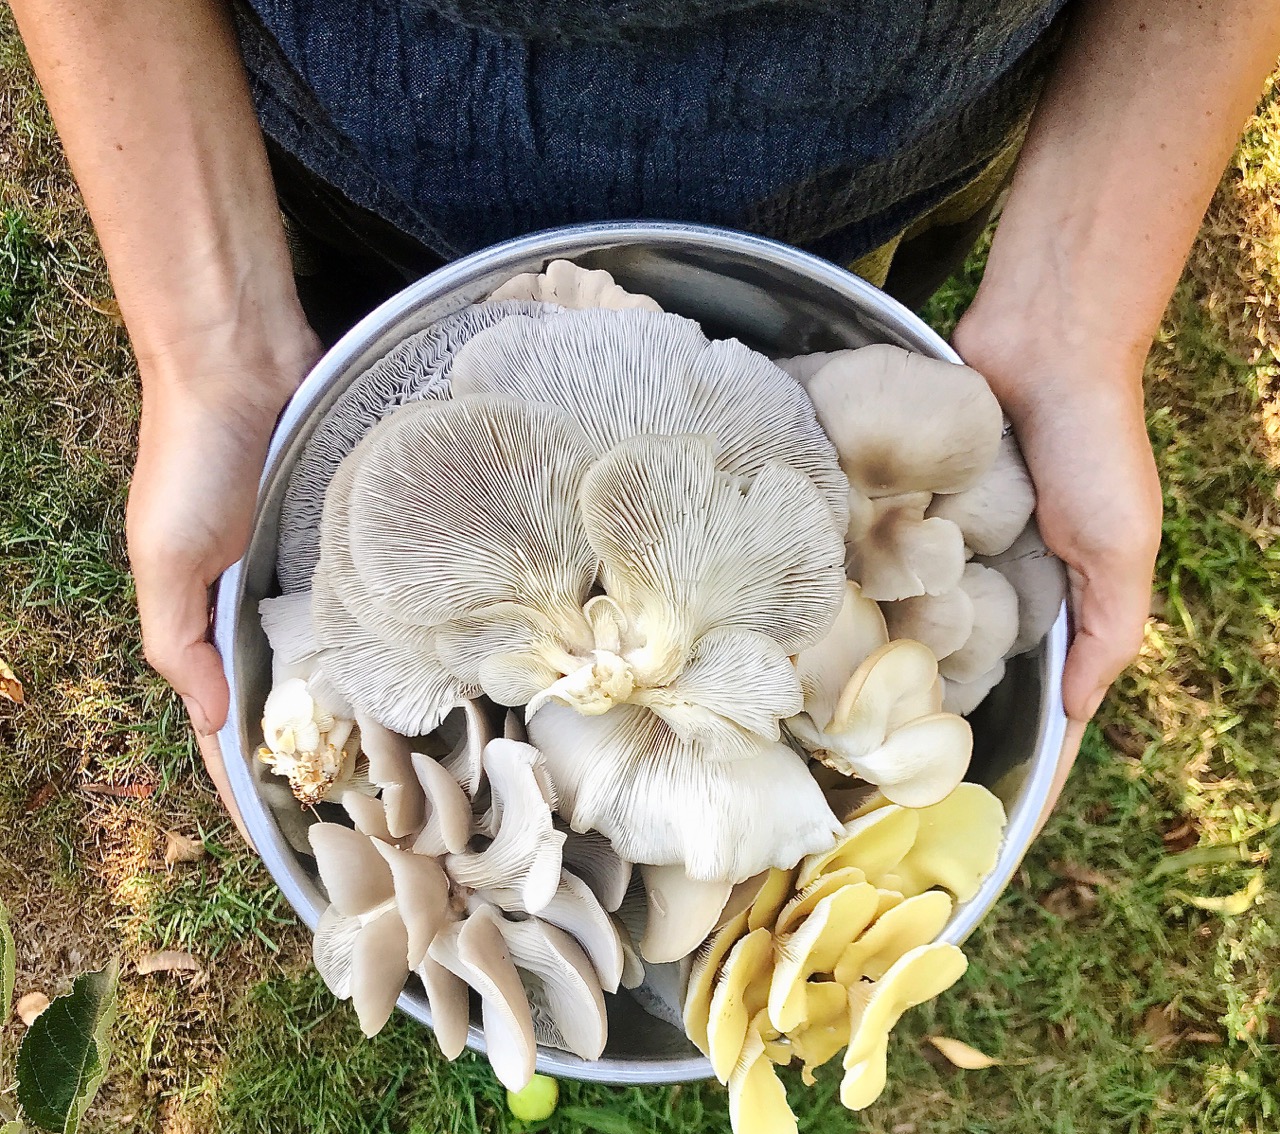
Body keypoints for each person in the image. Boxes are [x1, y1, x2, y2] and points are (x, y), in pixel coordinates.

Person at [10, 0, 1280, 818]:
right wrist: (217, 344)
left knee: (856, 353)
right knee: (388, 389)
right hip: (358, 125)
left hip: (901, 124)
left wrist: (1068, 315)